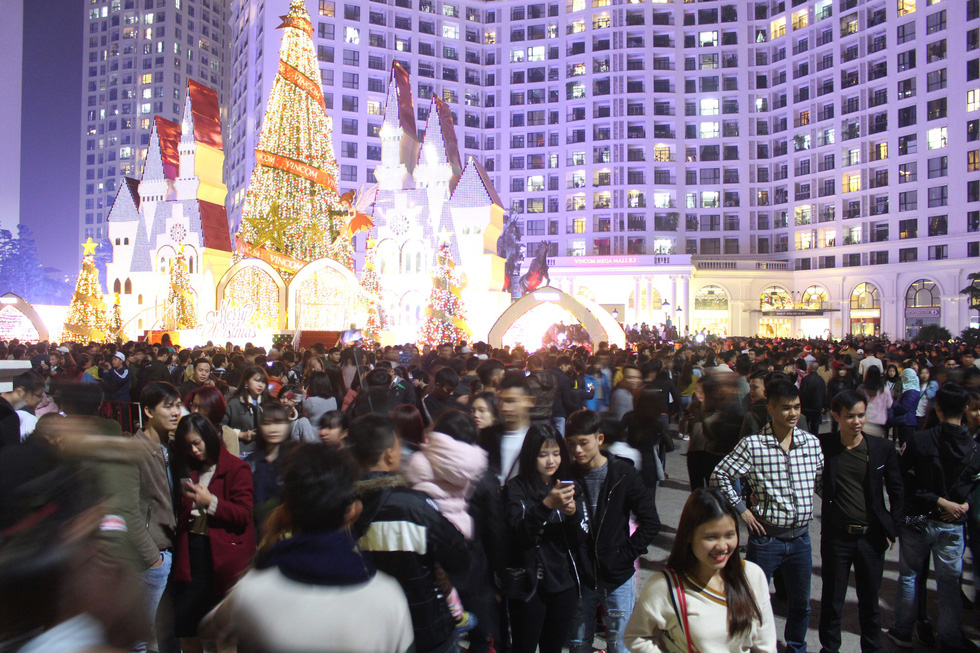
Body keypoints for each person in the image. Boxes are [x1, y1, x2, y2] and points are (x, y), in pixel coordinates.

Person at [203, 444, 415, 653]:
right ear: (353, 513)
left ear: (285, 513)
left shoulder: (250, 593)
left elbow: (211, 627)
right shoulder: (388, 598)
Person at [710, 379, 824, 653]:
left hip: (801, 540)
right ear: (770, 408)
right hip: (766, 539)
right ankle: (752, 646)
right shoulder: (753, 445)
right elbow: (720, 475)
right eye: (786, 408)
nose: (793, 414)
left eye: (797, 407)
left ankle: (796, 647)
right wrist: (743, 511)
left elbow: (822, 484)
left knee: (801, 604)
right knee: (751, 602)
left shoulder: (811, 444)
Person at [349, 414, 470, 653]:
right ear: (389, 454)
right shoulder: (413, 506)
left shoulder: (340, 506)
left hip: (367, 632)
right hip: (425, 627)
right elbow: (458, 556)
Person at [624, 488, 776, 653]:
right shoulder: (665, 586)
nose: (722, 546)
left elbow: (765, 644)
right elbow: (636, 636)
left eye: (730, 535)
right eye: (711, 537)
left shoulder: (752, 575)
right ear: (689, 536)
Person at [889, 383, 980, 651]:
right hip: (952, 522)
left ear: (937, 408)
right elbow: (972, 484)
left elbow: (902, 476)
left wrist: (936, 499)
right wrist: (958, 503)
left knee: (909, 575)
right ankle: (949, 636)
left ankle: (903, 630)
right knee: (949, 582)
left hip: (918, 518)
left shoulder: (920, 439)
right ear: (964, 409)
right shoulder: (974, 449)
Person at [565, 408, 661, 653]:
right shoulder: (566, 477)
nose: (578, 451)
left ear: (599, 439)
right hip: (581, 577)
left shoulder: (622, 474)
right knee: (578, 644)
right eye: (572, 444)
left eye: (584, 443)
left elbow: (650, 521)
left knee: (620, 645)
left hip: (617, 577)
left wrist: (624, 554)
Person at [818, 390, 904, 653]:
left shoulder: (881, 448)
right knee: (833, 599)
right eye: (850, 416)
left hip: (871, 537)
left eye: (861, 415)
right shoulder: (824, 445)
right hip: (837, 535)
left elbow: (898, 489)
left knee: (870, 601)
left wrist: (894, 527)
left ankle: (872, 648)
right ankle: (830, 648)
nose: (857, 421)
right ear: (836, 416)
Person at [172, 413, 256, 653]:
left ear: (209, 436)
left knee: (225, 636)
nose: (194, 450)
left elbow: (243, 515)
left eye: (197, 442)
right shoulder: (191, 470)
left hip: (222, 560)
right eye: (188, 446)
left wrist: (211, 502)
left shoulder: (236, 468)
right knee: (186, 629)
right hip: (192, 556)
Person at [402, 411, 489, 632]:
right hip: (460, 532)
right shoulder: (474, 463)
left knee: (435, 580)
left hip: (429, 530)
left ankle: (455, 615)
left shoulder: (421, 460)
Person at [503, 424, 582, 653]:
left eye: (556, 453)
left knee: (553, 648)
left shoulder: (570, 486)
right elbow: (518, 533)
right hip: (530, 585)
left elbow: (579, 539)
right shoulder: (515, 489)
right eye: (543, 454)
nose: (551, 461)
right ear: (531, 456)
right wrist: (546, 505)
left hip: (563, 584)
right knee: (524, 647)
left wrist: (573, 516)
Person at [132, 381, 181, 653]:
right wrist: (152, 558)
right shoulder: (135, 450)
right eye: (168, 406)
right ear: (149, 411)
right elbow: (127, 510)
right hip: (155, 555)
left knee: (170, 630)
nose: (176, 412)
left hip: (176, 548)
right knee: (143, 634)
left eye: (178, 405)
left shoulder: (176, 446)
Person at [249, 404, 295, 542]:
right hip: (256, 538)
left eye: (279, 422)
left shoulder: (296, 459)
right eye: (267, 423)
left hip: (289, 537)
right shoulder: (251, 462)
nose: (273, 428)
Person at [483, 371, 535, 482]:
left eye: (511, 401)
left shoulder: (540, 438)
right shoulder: (486, 436)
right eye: (500, 400)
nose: (504, 407)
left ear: (530, 401)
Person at [221, 365, 271, 458]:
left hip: (264, 451)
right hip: (242, 452)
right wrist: (240, 434)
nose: (260, 385)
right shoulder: (235, 403)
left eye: (263, 382)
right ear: (246, 382)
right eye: (256, 380)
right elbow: (221, 427)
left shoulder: (268, 403)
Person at [290, 371, 339, 443]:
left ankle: (295, 445)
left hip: (313, 437)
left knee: (302, 421)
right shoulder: (333, 399)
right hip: (328, 435)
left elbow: (305, 415)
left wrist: (304, 396)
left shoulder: (310, 401)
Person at [857, 365, 891, 438]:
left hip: (865, 420)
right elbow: (889, 405)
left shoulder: (861, 388)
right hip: (880, 421)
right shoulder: (885, 389)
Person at [892, 368, 921, 445]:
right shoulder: (912, 390)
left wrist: (892, 404)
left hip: (907, 421)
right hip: (906, 421)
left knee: (905, 443)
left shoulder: (912, 392)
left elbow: (904, 408)